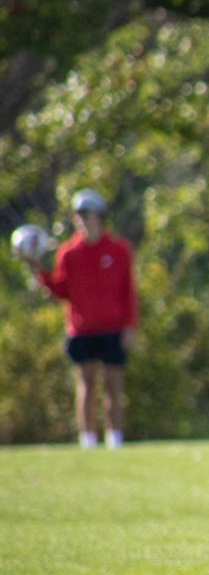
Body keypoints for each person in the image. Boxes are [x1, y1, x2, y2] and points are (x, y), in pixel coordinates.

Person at [31, 190, 138, 449]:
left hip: (113, 327)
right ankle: (88, 440)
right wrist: (37, 270)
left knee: (113, 385)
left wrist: (130, 326)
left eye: (86, 214)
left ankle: (115, 440)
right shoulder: (68, 252)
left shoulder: (119, 249)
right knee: (86, 385)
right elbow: (61, 291)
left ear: (100, 216)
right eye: (78, 215)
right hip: (81, 329)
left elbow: (129, 291)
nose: (82, 219)